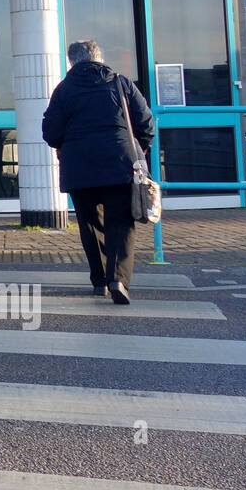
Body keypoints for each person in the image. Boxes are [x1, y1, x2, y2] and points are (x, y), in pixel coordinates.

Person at [42, 40, 156, 304]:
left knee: (91, 224)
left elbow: (50, 132)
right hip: (120, 163)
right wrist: (141, 149)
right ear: (99, 57)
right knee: (121, 222)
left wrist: (65, 144)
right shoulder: (121, 82)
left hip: (79, 166)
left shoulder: (64, 90)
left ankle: (99, 281)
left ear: (71, 61)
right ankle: (118, 278)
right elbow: (145, 122)